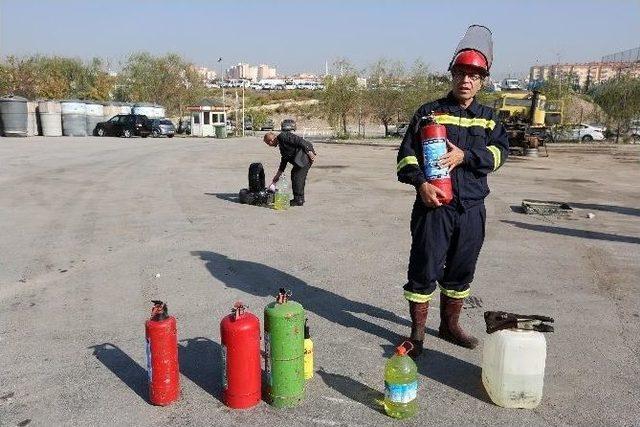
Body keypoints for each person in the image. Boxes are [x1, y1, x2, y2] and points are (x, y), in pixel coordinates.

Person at [396, 25, 509, 358]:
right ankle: (417, 334)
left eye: (474, 76)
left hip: (472, 208)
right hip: (435, 208)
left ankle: (449, 326)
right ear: (452, 75)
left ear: (482, 81)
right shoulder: (429, 113)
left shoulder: (489, 119)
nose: (466, 80)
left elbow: (501, 153)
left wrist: (466, 156)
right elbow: (405, 156)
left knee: (462, 268)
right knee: (424, 268)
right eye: (461, 73)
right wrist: (421, 184)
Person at [263, 131, 317, 206]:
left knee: (297, 176)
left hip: (305, 156)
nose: (269, 145)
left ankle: (298, 200)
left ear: (271, 140)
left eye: (268, 144)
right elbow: (284, 160)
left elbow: (299, 140)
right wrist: (277, 176)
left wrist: (309, 152)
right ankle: (299, 199)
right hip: (301, 159)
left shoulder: (283, 136)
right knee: (295, 175)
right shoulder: (281, 144)